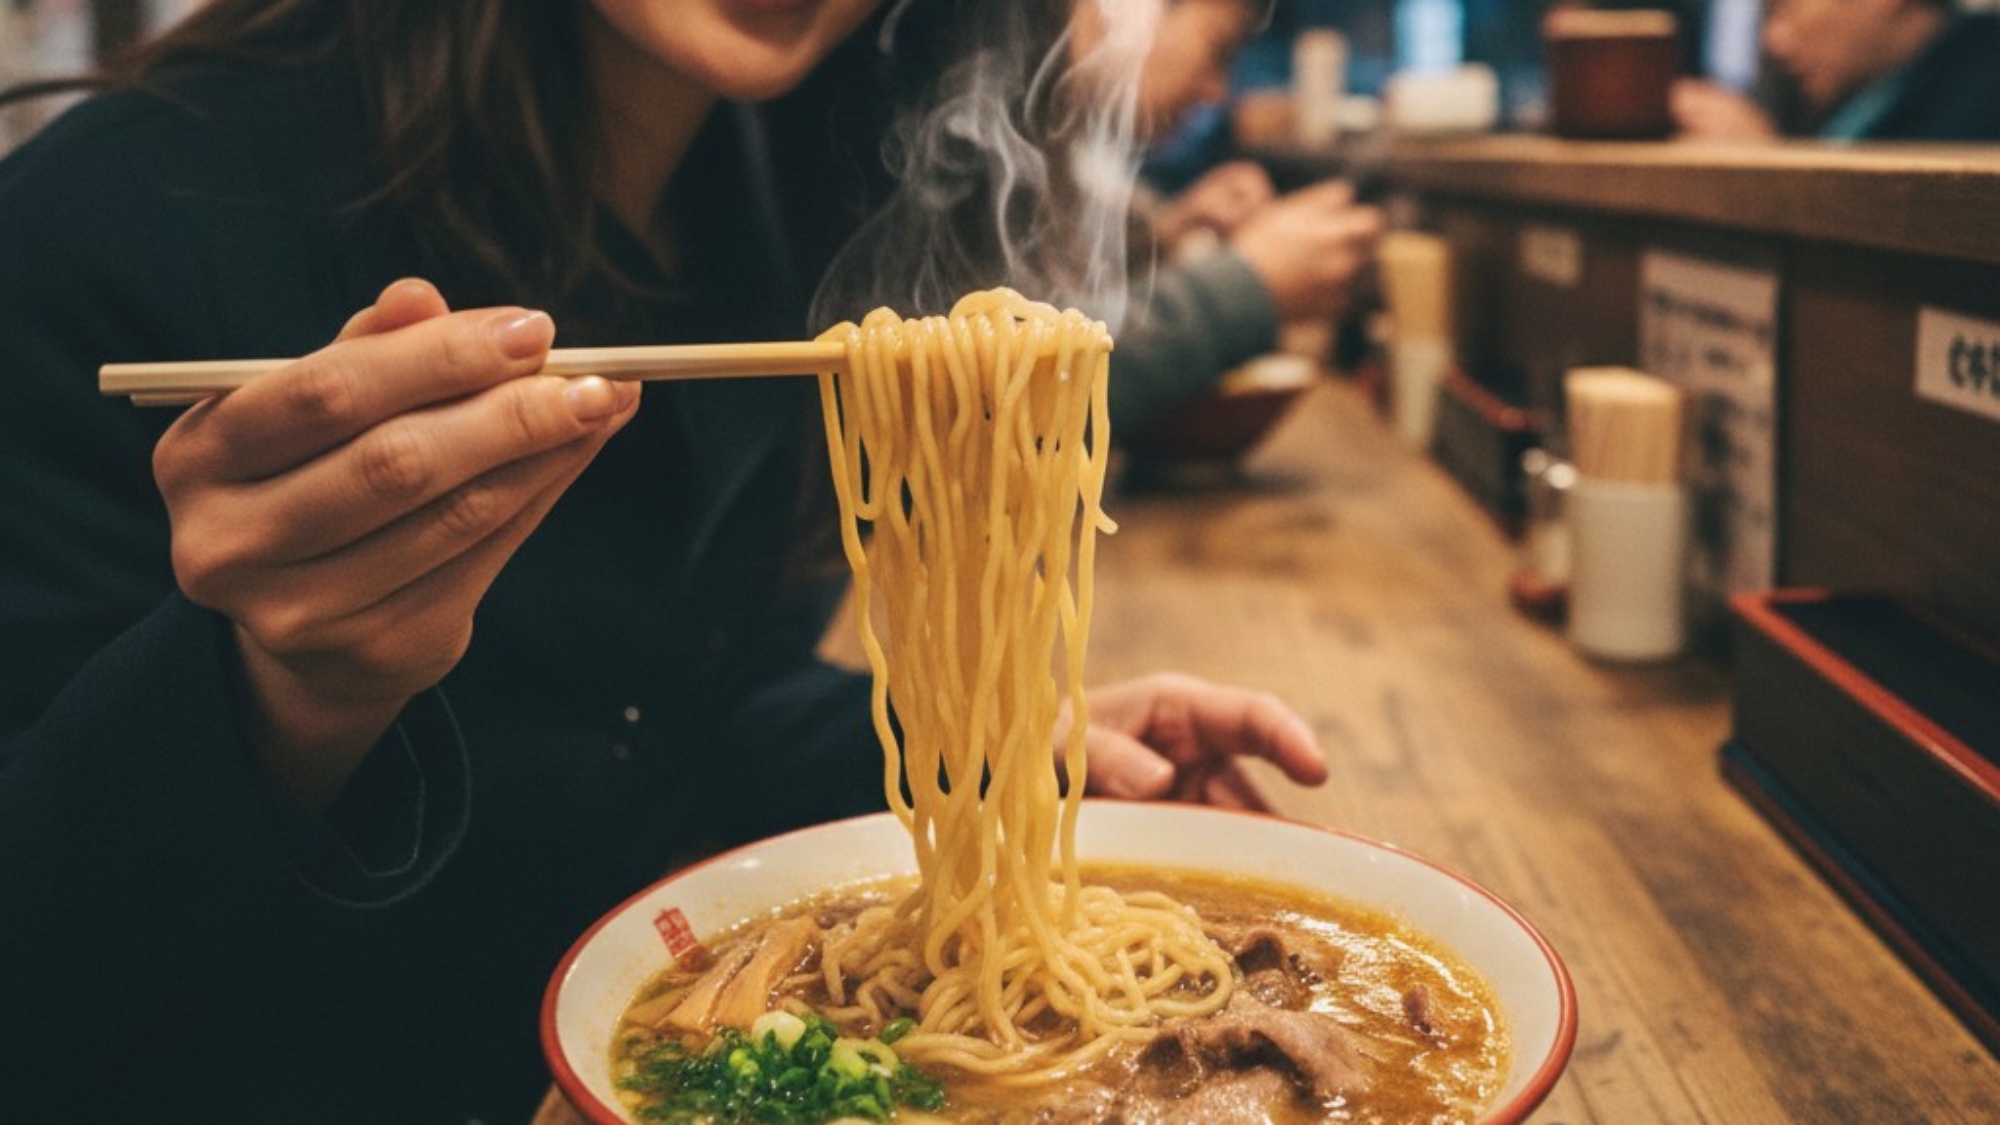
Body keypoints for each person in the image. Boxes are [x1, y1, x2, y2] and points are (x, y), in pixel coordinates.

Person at [0, 2, 1332, 1121]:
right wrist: (279, 698)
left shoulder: (783, 184)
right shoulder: (115, 218)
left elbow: (663, 699)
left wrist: (998, 743)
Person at [1079, 0, 1386, 435]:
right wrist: (1250, 282)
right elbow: (1025, 388)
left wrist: (1170, 228)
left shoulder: (1067, 138)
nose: (1216, 91)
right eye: (1218, 49)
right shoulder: (981, 123)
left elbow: (1065, 287)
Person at [1673, 0, 2000, 142]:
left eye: (1787, 6)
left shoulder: (1986, 97)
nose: (1774, 41)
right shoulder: (1860, 98)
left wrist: (1774, 171)